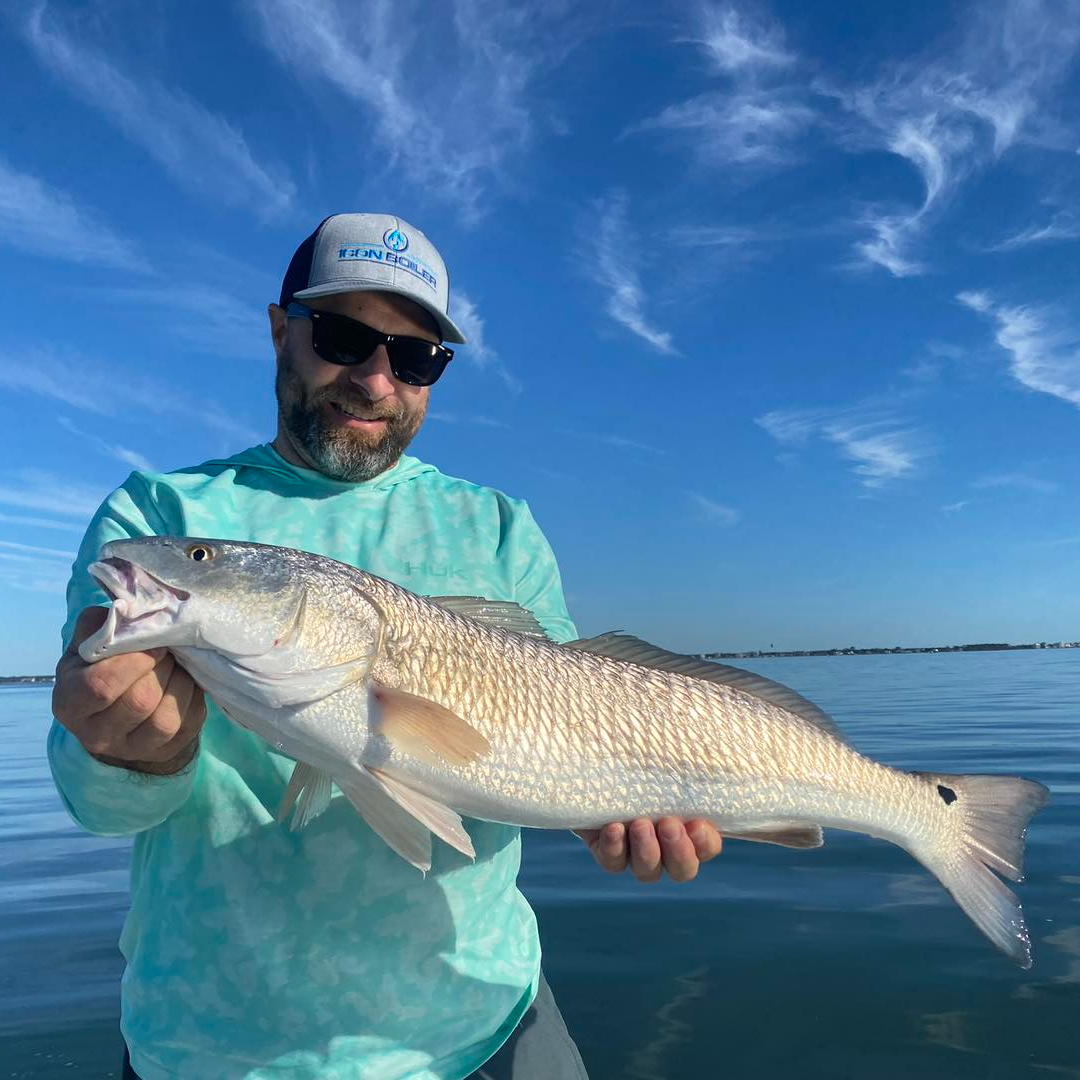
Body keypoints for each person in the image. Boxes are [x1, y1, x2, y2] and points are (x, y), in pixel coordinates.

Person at [49, 213, 723, 1080]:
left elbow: (564, 733)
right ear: (280, 329)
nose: (374, 380)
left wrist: (604, 811)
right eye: (343, 336)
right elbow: (102, 812)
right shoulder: (157, 520)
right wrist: (125, 756)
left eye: (415, 359)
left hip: (488, 1021)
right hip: (215, 1047)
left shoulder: (499, 526)